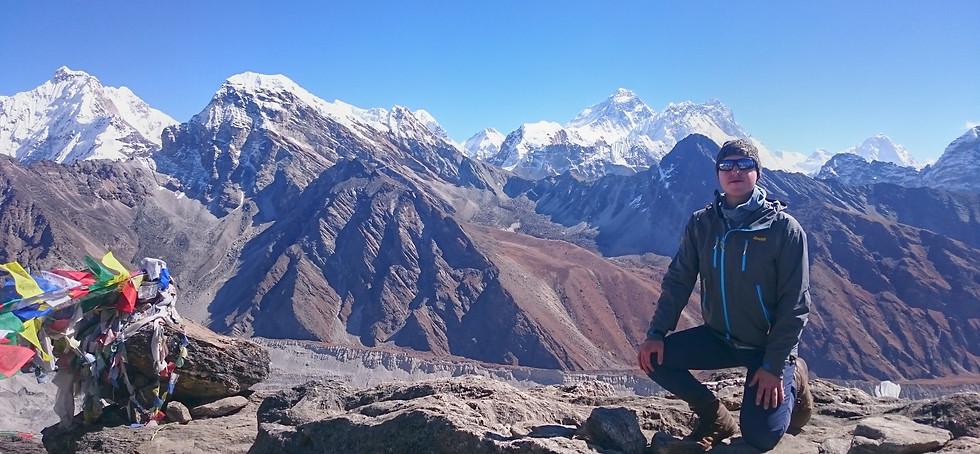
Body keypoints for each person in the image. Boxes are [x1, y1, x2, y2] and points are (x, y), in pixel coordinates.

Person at [637, 139, 812, 451]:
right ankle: (714, 415)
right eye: (727, 165)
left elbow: (795, 305)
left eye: (744, 165)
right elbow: (679, 281)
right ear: (717, 173)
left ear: (758, 172)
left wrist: (774, 365)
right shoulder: (702, 223)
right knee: (655, 358)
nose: (735, 171)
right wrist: (656, 332)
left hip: (766, 346)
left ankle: (793, 374)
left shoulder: (784, 229)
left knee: (760, 437)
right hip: (719, 337)